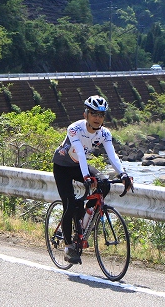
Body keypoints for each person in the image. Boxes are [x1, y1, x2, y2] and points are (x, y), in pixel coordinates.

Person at [52, 95, 133, 264]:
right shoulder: (74, 129)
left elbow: (112, 154)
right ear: (86, 115)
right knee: (69, 204)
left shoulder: (104, 133)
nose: (97, 118)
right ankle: (68, 248)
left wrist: (123, 174)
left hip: (78, 166)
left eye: (101, 115)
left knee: (104, 184)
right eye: (94, 114)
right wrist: (87, 176)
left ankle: (84, 220)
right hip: (62, 167)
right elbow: (80, 153)